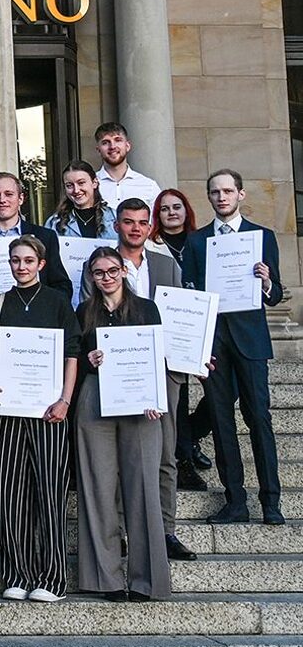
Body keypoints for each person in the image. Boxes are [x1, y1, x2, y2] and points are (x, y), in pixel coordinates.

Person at [78, 198, 198, 561]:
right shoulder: (99, 265)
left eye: (142, 222)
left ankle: (165, 530)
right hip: (109, 378)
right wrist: (90, 358)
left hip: (160, 373)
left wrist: (195, 350)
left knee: (164, 455)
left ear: (150, 227)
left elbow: (181, 315)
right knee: (113, 461)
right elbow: (86, 328)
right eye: (128, 221)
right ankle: (119, 534)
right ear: (118, 226)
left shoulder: (165, 264)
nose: (135, 228)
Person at [181, 169, 285, 525]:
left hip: (251, 341)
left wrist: (268, 281)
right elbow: (192, 295)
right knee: (222, 422)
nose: (221, 197)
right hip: (214, 343)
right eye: (215, 192)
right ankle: (235, 500)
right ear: (209, 197)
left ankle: (271, 502)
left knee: (259, 419)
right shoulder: (197, 242)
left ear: (240, 194)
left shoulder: (262, 237)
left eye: (228, 191)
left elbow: (277, 296)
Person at [0, 236, 80, 603]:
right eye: (15, 261)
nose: (21, 267)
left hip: (49, 412)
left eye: (28, 261)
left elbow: (71, 354)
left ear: (41, 264)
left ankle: (53, 578)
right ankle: (17, 574)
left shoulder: (58, 302)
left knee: (50, 493)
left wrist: (65, 400)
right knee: (11, 494)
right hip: (10, 411)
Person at [77, 247, 171, 601]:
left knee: (143, 487)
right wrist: (88, 359)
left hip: (140, 407)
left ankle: (146, 579)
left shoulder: (146, 308)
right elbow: (75, 359)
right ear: (91, 275)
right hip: (95, 402)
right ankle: (107, 579)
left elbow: (155, 356)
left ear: (123, 272)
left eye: (112, 270)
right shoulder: (84, 312)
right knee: (98, 489)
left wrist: (155, 398)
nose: (107, 278)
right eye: (99, 272)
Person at [154, 188, 214, 485]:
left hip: (199, 324)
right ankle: (184, 458)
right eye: (164, 209)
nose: (171, 212)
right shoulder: (152, 245)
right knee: (179, 395)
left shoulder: (201, 241)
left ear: (186, 210)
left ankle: (192, 433)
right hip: (168, 329)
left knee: (219, 395)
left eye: (177, 206)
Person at [0, 172, 73, 300]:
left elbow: (61, 285)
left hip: (34, 316)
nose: (2, 200)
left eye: (9, 194)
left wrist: (45, 308)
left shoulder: (44, 237)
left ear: (20, 199)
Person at [94, 122, 163, 209]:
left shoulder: (149, 186)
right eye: (105, 142)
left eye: (118, 140)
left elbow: (158, 220)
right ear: (98, 150)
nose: (112, 146)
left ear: (127, 146)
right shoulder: (89, 186)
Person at [44, 159, 115, 239]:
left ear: (94, 183)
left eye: (81, 183)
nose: (76, 190)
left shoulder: (115, 218)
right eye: (69, 185)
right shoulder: (54, 223)